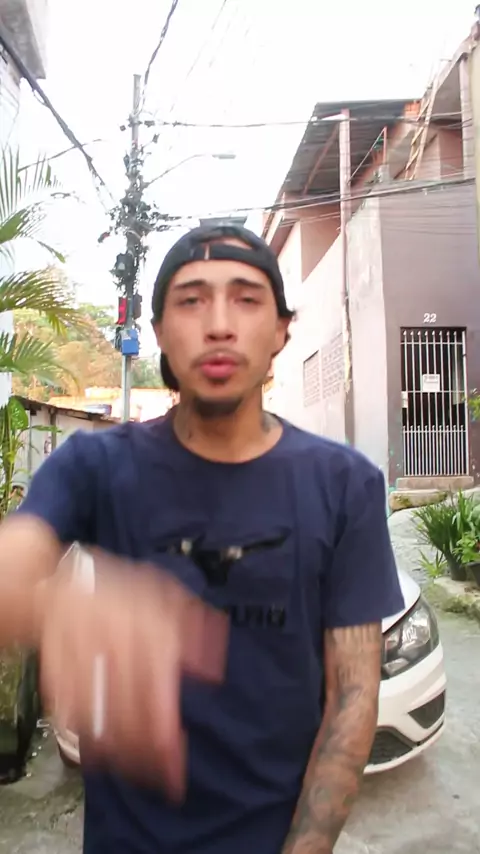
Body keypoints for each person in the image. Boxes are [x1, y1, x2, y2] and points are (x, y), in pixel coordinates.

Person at [0, 223, 404, 854]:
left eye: (246, 298)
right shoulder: (96, 465)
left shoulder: (345, 484)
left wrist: (308, 845)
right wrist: (51, 605)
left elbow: (353, 694)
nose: (219, 324)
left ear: (281, 330)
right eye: (191, 300)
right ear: (160, 331)